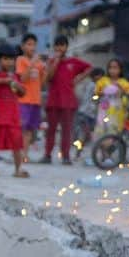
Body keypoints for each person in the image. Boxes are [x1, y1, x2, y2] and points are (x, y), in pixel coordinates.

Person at [40, 36, 92, 165]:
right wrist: (56, 61)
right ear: (54, 47)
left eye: (62, 45)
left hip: (68, 101)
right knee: (50, 130)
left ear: (66, 47)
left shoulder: (73, 62)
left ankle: (66, 156)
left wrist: (78, 79)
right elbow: (48, 78)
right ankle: (47, 155)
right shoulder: (50, 62)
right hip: (53, 101)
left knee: (67, 131)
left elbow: (89, 67)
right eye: (57, 45)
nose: (59, 48)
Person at [0, 44, 28, 178]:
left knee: (17, 144)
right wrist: (5, 80)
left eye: (11, 59)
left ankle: (18, 169)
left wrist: (17, 85)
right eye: (5, 59)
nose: (9, 62)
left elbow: (23, 92)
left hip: (13, 117)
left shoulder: (16, 77)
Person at [14, 33, 45, 162]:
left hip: (35, 100)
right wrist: (32, 63)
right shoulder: (21, 60)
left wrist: (45, 68)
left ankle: (24, 154)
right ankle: (17, 153)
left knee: (30, 130)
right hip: (23, 100)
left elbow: (42, 82)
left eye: (34, 44)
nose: (32, 47)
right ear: (22, 46)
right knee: (21, 128)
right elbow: (22, 78)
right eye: (29, 44)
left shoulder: (39, 63)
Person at [94, 59, 129, 139]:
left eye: (115, 68)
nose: (112, 70)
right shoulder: (103, 80)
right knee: (101, 129)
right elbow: (96, 92)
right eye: (110, 68)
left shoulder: (123, 82)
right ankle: (102, 148)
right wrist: (103, 92)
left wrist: (120, 88)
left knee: (113, 130)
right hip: (104, 109)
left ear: (120, 69)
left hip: (117, 111)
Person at [74, 67, 103, 160]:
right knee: (86, 134)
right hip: (86, 113)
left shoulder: (93, 85)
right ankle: (78, 153)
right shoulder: (93, 85)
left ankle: (78, 153)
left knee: (88, 135)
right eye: (99, 76)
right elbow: (95, 96)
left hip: (90, 113)